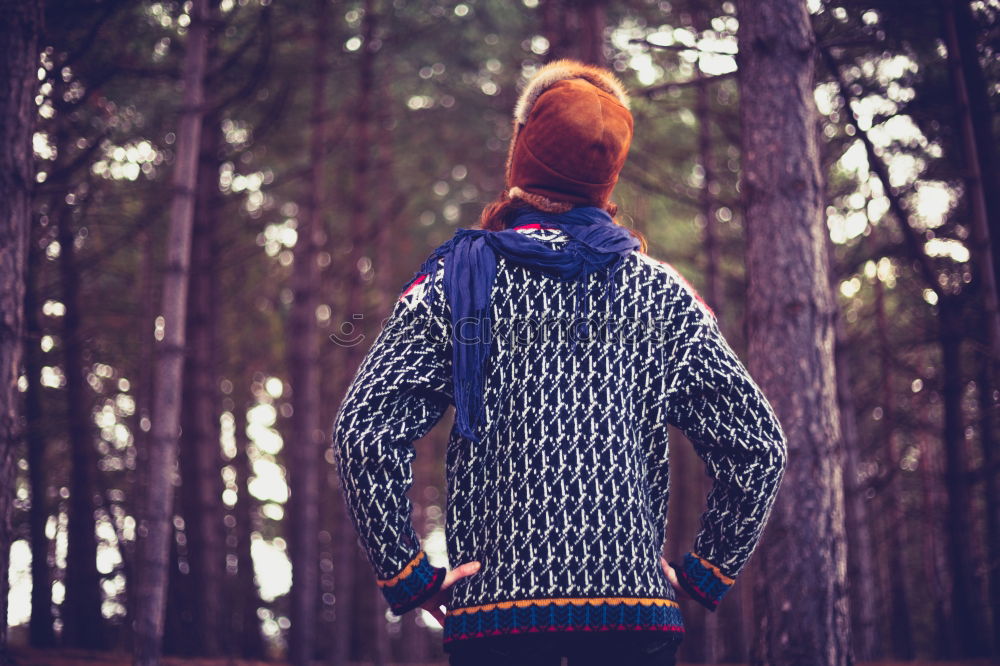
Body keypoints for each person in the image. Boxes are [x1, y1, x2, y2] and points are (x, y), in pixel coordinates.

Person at [331, 59, 788, 666]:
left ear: (520, 155)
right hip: (634, 619)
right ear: (609, 175)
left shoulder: (451, 280)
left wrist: (409, 576)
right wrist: (704, 571)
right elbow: (758, 446)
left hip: (496, 622)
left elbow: (364, 431)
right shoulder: (662, 293)